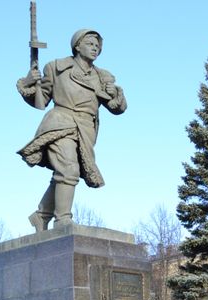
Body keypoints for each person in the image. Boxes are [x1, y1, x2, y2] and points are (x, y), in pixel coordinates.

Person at [17, 29, 127, 232]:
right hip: (60, 122)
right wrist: (29, 81)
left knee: (65, 173)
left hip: (86, 130)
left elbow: (116, 109)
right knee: (69, 169)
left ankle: (41, 215)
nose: (95, 48)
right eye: (90, 44)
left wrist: (115, 94)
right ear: (77, 46)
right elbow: (41, 99)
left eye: (97, 46)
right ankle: (63, 221)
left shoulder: (101, 76)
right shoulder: (57, 68)